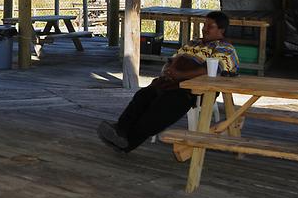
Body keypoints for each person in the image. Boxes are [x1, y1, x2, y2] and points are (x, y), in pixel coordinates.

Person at [98, 11, 239, 153]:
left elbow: (211, 70)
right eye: (204, 25)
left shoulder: (224, 48)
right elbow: (172, 59)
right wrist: (167, 70)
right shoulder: (193, 43)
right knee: (143, 95)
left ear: (221, 30)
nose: (205, 29)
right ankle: (120, 130)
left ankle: (127, 143)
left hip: (193, 90)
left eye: (210, 26)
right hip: (170, 82)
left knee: (161, 108)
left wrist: (180, 75)